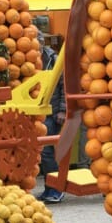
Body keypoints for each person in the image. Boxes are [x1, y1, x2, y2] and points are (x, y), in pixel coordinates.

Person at [36, 30, 66, 204]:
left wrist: (63, 109)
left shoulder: (53, 59)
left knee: (47, 151)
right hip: (33, 111)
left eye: (36, 41)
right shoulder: (26, 59)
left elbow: (64, 85)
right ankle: (49, 187)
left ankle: (56, 188)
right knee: (39, 152)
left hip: (50, 110)